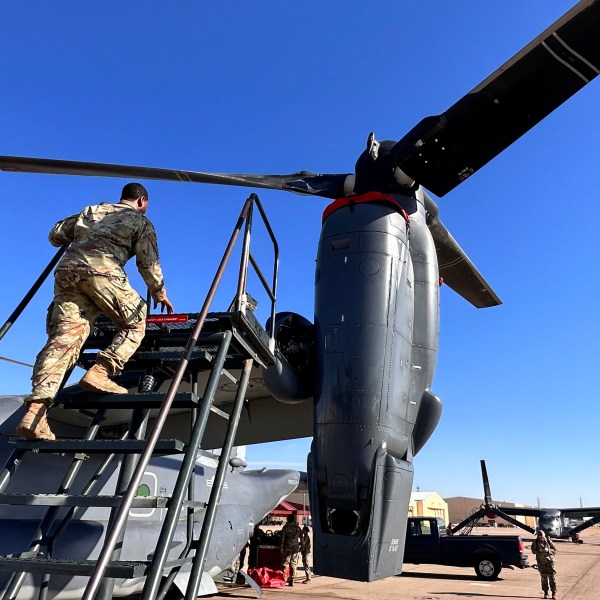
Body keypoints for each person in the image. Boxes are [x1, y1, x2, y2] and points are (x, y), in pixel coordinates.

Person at [16, 183, 174, 441]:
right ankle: (101, 371)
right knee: (136, 320)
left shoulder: (91, 210)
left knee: (63, 341)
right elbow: (148, 263)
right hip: (103, 272)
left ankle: (35, 414)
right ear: (142, 201)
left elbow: (56, 235)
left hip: (67, 274)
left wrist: (86, 224)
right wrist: (160, 293)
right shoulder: (140, 221)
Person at [531, 529, 557, 599]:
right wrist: (538, 551)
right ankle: (546, 593)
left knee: (552, 578)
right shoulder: (535, 542)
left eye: (542, 537)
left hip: (550, 562)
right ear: (538, 537)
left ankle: (554, 593)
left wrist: (548, 550)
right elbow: (533, 551)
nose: (541, 539)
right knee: (544, 578)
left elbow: (555, 550)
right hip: (541, 563)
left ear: (544, 535)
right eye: (540, 538)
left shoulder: (548, 541)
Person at [279, 513, 302, 586]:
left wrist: (281, 548)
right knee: (293, 564)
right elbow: (301, 537)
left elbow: (282, 538)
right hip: (295, 548)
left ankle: (284, 578)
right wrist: (300, 546)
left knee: (286, 563)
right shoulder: (297, 527)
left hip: (287, 548)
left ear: (288, 519)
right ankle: (292, 580)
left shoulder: (286, 527)